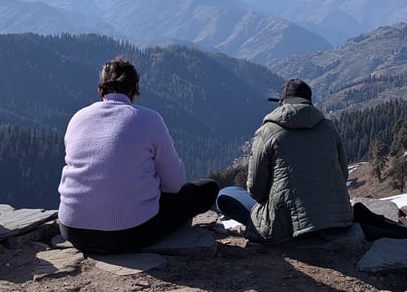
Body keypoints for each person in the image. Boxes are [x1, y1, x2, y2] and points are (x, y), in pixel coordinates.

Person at [58, 58, 219, 254]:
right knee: (207, 188)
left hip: (72, 229)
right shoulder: (149, 120)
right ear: (135, 89)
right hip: (128, 233)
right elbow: (174, 184)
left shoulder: (78, 118)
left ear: (100, 88)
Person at [216, 78, 353, 244]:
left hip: (286, 228)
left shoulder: (267, 131)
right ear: (309, 102)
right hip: (338, 220)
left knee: (225, 194)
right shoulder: (329, 127)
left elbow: (256, 191)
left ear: (282, 103)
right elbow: (343, 175)